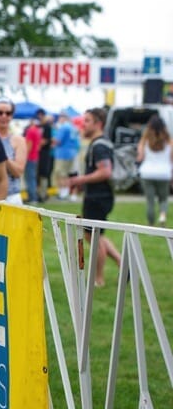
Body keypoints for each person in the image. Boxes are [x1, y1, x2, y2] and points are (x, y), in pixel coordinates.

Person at [67, 108, 122, 287]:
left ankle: (98, 279)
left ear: (98, 124)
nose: (84, 124)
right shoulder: (99, 143)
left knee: (94, 237)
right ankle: (123, 264)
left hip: (99, 197)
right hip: (97, 196)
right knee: (95, 235)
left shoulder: (99, 145)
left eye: (88, 120)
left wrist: (80, 179)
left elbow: (105, 172)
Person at [0, 97, 27, 204]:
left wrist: (1, 154)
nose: (4, 116)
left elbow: (18, 172)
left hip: (11, 196)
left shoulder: (18, 140)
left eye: (8, 113)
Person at [136, 114, 173, 226]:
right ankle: (162, 217)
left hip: (147, 173)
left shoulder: (145, 140)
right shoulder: (168, 141)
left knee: (150, 201)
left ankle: (151, 224)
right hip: (164, 173)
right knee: (163, 199)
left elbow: (140, 157)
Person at [51, 111, 80, 200]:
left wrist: (52, 141)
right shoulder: (73, 127)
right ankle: (70, 193)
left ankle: (63, 192)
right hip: (73, 153)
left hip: (63, 154)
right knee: (71, 173)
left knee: (61, 173)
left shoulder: (63, 127)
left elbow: (58, 141)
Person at [36, 108, 55, 202]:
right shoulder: (39, 126)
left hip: (45, 153)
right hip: (40, 153)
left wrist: (37, 146)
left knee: (44, 173)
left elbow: (46, 140)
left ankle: (43, 194)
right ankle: (41, 193)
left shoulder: (47, 127)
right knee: (39, 173)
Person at [23, 117, 42, 203]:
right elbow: (39, 145)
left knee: (29, 178)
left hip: (30, 157)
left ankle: (32, 197)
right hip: (35, 157)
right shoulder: (38, 131)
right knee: (32, 177)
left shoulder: (30, 131)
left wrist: (24, 157)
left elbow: (29, 145)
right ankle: (33, 197)